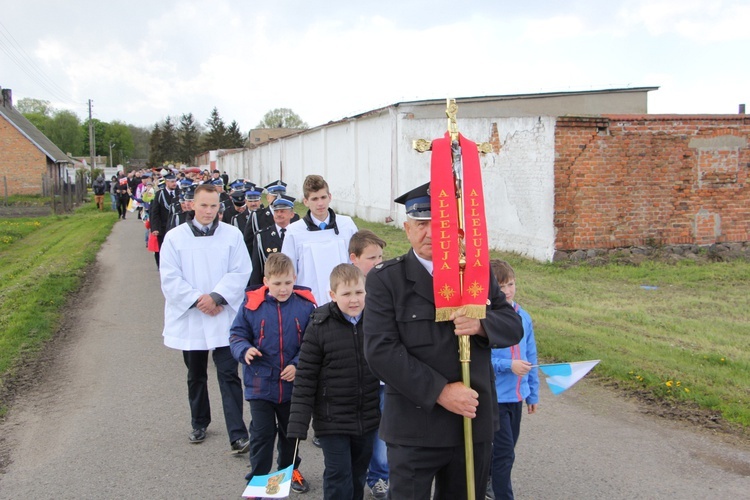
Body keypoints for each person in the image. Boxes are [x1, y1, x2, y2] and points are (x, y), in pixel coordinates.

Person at [363, 182, 524, 500]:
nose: (430, 233)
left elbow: (512, 325)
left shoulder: (477, 274)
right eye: (421, 224)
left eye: (439, 225)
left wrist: (481, 325)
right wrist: (440, 392)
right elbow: (380, 351)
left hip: (470, 424)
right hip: (414, 426)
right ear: (407, 229)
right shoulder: (386, 279)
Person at [159, 183, 251, 453]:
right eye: (204, 205)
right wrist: (199, 300)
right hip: (192, 316)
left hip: (222, 314)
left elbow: (241, 271)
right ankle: (199, 421)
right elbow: (169, 277)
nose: (209, 211)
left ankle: (237, 433)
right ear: (191, 205)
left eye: (214, 206)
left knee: (228, 374)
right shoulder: (175, 238)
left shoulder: (232, 235)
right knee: (196, 373)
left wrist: (217, 297)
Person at [287, 264, 380, 500]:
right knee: (339, 476)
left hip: (366, 417)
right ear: (332, 295)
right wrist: (298, 425)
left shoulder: (377, 323)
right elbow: (305, 378)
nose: (354, 300)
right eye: (346, 294)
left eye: (359, 293)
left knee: (357, 474)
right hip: (332, 419)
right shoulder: (319, 326)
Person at [228, 252, 316, 494]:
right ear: (266, 281)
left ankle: (288, 473)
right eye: (277, 283)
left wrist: (298, 364)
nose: (283, 288)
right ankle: (258, 480)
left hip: (293, 388)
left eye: (288, 282)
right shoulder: (251, 306)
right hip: (260, 385)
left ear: (294, 279)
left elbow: (312, 343)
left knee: (292, 434)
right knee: (262, 435)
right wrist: (244, 350)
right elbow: (236, 335)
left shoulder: (306, 306)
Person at [487, 260, 539, 500]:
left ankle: (486, 478)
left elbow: (531, 357)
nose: (507, 291)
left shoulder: (524, 317)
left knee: (504, 450)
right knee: (505, 453)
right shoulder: (486, 318)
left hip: (517, 397)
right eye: (500, 287)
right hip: (495, 398)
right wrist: (510, 366)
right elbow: (483, 361)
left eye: (511, 285)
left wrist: (532, 394)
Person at [348, 230, 390, 500]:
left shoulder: (387, 284)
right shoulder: (350, 290)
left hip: (385, 375)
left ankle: (380, 476)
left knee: (383, 429)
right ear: (354, 259)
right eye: (371, 258)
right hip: (357, 374)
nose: (378, 262)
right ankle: (354, 475)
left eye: (381, 257)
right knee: (359, 430)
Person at [281, 174, 358, 305]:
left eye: (323, 197)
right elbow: (288, 270)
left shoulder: (347, 225)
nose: (320, 203)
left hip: (344, 301)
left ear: (330, 197)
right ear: (306, 201)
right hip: (309, 301)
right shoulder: (294, 231)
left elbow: (357, 262)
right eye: (314, 199)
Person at [248, 194, 297, 286]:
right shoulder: (262, 236)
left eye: (282, 211)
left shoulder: (298, 234)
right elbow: (257, 269)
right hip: (270, 288)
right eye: (276, 211)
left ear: (292, 214)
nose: (278, 214)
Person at [149, 173, 181, 269]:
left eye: (175, 181)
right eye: (172, 182)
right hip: (163, 227)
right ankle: (162, 267)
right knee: (161, 250)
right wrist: (155, 228)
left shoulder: (180, 194)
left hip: (177, 226)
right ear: (166, 182)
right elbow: (154, 213)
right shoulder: (160, 194)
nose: (174, 184)